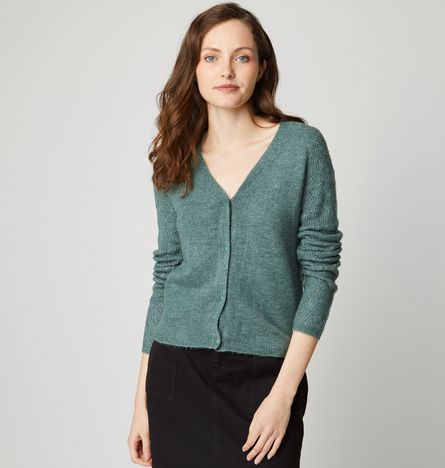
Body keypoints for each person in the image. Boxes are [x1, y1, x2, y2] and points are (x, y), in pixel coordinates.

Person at [128, 3, 343, 467]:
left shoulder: (301, 148)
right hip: (176, 373)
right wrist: (141, 402)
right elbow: (166, 277)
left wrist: (283, 394)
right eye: (211, 57)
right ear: (194, 69)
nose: (226, 70)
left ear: (261, 66)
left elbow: (320, 273)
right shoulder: (174, 160)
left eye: (241, 57)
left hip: (265, 377)